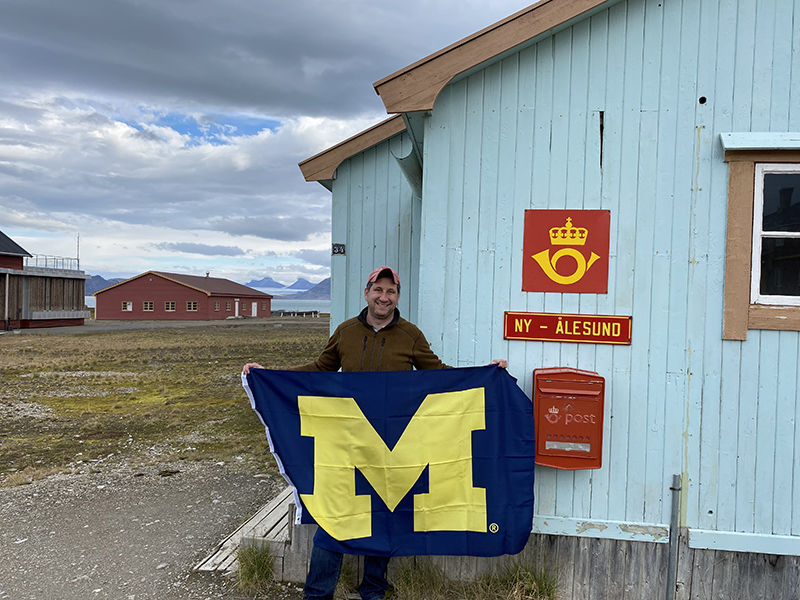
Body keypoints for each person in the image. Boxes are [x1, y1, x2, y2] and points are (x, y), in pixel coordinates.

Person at [243, 266, 506, 600]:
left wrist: (486, 375)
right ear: (367, 292)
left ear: (397, 296)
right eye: (378, 290)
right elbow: (320, 370)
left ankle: (373, 590)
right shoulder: (345, 331)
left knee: (384, 518)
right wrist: (273, 375)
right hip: (347, 443)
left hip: (393, 446)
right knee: (333, 519)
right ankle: (317, 594)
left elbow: (438, 376)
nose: (384, 297)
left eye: (391, 291)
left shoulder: (410, 334)